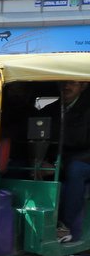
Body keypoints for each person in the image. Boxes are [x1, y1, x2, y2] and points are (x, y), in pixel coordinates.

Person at [44, 80, 90, 242]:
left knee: (75, 170)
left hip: (83, 160)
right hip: (61, 160)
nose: (66, 87)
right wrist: (41, 160)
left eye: (72, 83)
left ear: (83, 86)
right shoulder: (51, 109)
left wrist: (60, 165)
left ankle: (66, 226)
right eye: (63, 82)